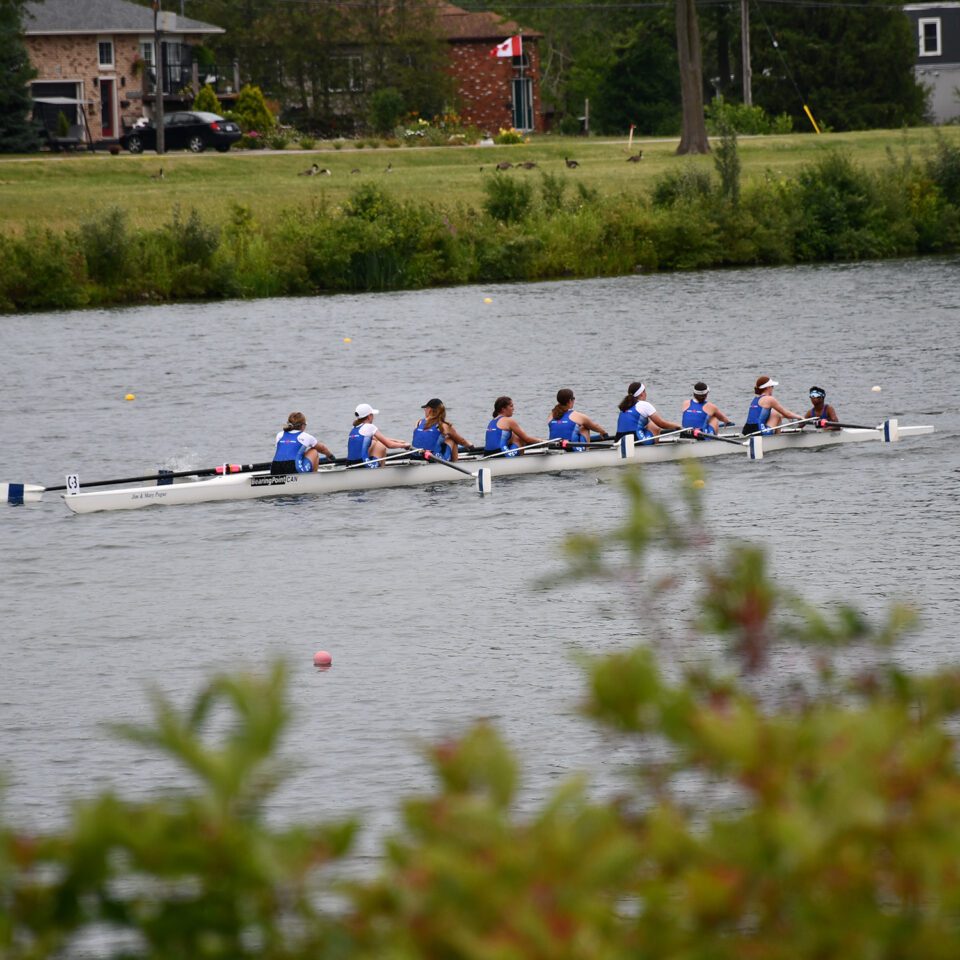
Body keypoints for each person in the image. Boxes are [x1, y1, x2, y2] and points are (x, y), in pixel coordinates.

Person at [347, 403, 411, 467]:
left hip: (349, 464)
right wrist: (404, 445)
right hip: (363, 464)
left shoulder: (354, 428)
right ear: (369, 416)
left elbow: (377, 439)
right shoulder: (370, 426)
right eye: (372, 415)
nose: (373, 417)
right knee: (381, 445)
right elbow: (389, 445)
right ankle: (381, 471)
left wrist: (398, 441)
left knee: (374, 442)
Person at [270, 412, 335, 475]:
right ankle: (314, 479)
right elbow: (322, 448)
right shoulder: (305, 436)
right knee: (314, 451)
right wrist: (330, 456)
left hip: (275, 468)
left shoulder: (279, 435)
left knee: (299, 453)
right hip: (293, 468)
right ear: (303, 425)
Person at [615, 381, 680, 444]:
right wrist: (678, 426)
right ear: (641, 393)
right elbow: (661, 424)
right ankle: (654, 451)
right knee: (654, 426)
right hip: (635, 439)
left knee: (647, 423)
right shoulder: (644, 404)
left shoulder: (625, 406)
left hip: (618, 439)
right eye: (645, 391)